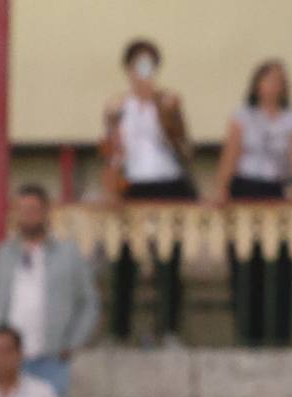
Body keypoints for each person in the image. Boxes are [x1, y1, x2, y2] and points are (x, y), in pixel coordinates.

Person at [101, 38, 199, 344]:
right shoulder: (118, 106)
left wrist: (164, 109)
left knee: (168, 259)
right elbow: (112, 151)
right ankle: (119, 330)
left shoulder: (168, 101)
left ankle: (168, 329)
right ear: (128, 69)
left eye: (149, 64)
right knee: (124, 258)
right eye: (138, 65)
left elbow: (182, 143)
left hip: (167, 183)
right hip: (134, 185)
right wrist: (114, 190)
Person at [214, 59, 292, 347]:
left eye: (279, 81)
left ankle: (279, 334)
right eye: (268, 80)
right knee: (246, 260)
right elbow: (231, 153)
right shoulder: (243, 117)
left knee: (279, 261)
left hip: (275, 190)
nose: (273, 86)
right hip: (245, 187)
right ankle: (248, 333)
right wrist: (222, 188)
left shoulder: (291, 120)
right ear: (257, 85)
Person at [0, 185, 102, 397]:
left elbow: (89, 303)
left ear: (45, 212)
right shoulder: (3, 254)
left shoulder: (68, 253)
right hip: (9, 359)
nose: (28, 215)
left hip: (51, 358)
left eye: (33, 209)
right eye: (22, 209)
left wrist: (72, 342)